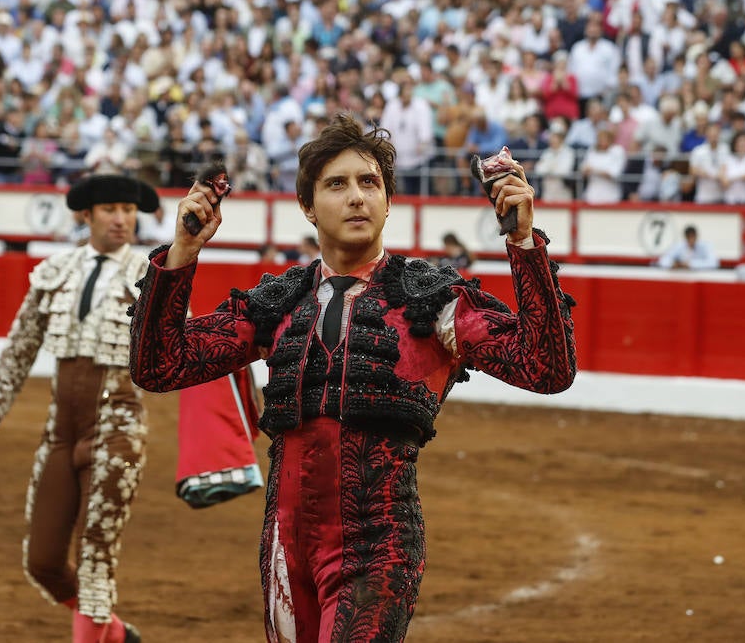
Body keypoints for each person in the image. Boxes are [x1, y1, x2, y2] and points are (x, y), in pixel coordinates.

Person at [128, 114, 576, 643]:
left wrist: (524, 244)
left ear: (389, 202)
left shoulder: (430, 301)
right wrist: (182, 253)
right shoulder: (279, 302)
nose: (357, 198)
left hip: (380, 545)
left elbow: (546, 368)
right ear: (308, 207)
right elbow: (160, 365)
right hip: (284, 547)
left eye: (370, 184)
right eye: (337, 185)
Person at [0, 174, 158, 643]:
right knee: (44, 562)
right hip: (60, 432)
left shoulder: (153, 277)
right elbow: (20, 348)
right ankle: (113, 633)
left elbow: (184, 349)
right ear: (86, 215)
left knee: (95, 561)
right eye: (112, 209)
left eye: (129, 210)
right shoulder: (56, 271)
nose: (122, 219)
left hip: (118, 432)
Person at [654, 225, 719, 271]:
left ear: (697, 236)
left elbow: (714, 263)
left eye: (693, 237)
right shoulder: (679, 246)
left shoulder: (705, 246)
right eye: (689, 237)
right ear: (685, 237)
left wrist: (691, 264)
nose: (691, 240)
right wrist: (674, 264)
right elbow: (663, 260)